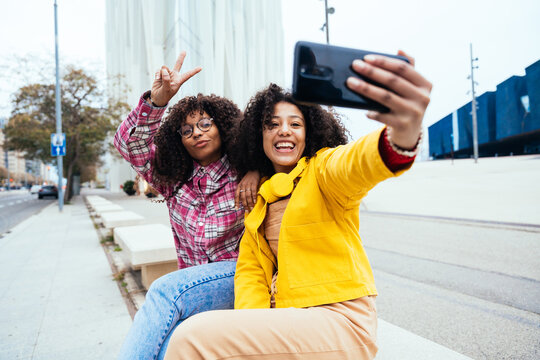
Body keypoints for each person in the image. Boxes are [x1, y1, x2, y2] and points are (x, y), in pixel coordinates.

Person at [164, 51, 432, 359]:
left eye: (296, 123)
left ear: (309, 134)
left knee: (190, 339)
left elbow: (358, 162)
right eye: (272, 124)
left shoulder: (323, 172)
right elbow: (251, 276)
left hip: (340, 320)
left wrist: (401, 135)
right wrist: (251, 332)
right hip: (288, 321)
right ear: (259, 136)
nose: (284, 130)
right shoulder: (258, 201)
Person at [114, 51, 259, 360]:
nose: (197, 133)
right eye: (187, 130)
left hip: (242, 275)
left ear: (222, 125)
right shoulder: (173, 179)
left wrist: (257, 169)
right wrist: (156, 103)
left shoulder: (244, 172)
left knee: (163, 291)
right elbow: (129, 145)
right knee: (170, 344)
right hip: (193, 281)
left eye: (205, 124)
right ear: (178, 139)